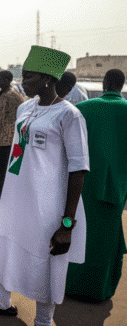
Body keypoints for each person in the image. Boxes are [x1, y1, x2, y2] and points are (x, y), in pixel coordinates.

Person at [0, 46, 89, 326]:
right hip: (16, 196)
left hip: (47, 202)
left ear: (48, 79)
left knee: (45, 259)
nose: (22, 81)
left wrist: (67, 223)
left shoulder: (69, 115)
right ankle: (3, 303)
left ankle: (42, 319)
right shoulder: (26, 107)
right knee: (7, 248)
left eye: (29, 76)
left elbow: (78, 169)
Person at [65, 69, 127, 302]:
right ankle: (99, 290)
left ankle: (72, 286)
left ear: (104, 83)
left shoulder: (85, 108)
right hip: (117, 187)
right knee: (106, 238)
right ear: (121, 85)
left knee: (81, 233)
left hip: (83, 184)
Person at [0, 71, 24, 207]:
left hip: (7, 143)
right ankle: (1, 207)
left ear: (7, 80)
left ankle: (6, 208)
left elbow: (21, 119)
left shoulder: (13, 96)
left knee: (6, 178)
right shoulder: (1, 94)